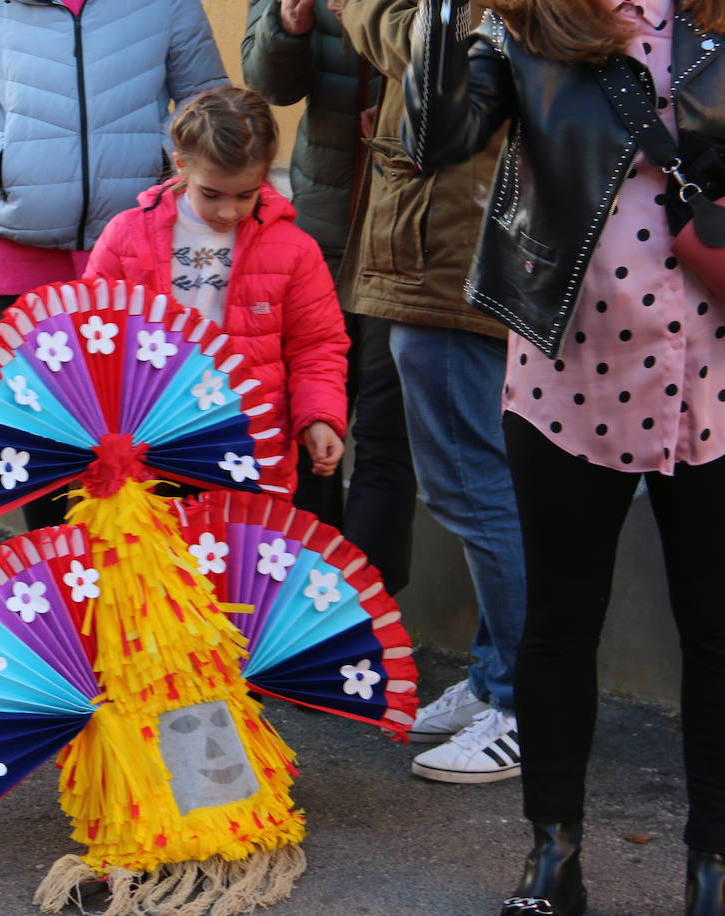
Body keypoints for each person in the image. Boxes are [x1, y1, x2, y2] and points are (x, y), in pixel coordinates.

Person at [403, 0, 725, 912]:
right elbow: (436, 139)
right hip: (567, 373)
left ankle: (714, 870)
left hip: (714, 374)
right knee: (557, 625)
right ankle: (554, 858)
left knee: (717, 631)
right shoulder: (527, 25)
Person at [0, 0, 228, 529]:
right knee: (50, 433)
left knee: (140, 429)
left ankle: (139, 581)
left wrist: (158, 154)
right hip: (26, 249)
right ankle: (61, 577)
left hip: (139, 247)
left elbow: (209, 101)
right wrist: (2, 161)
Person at [338, 0, 526, 785]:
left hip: (452, 255)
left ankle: (522, 705)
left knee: (475, 492)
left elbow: (424, 42)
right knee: (479, 486)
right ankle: (495, 683)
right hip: (442, 243)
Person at [84, 86, 350, 496]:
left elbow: (317, 345)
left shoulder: (294, 250)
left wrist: (319, 415)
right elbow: (91, 334)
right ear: (181, 167)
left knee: (235, 557)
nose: (228, 212)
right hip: (146, 448)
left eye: (246, 195)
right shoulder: (126, 237)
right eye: (212, 194)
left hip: (246, 446)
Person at [242, 0, 418, 595]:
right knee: (311, 423)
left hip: (412, 239)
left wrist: (402, 130)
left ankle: (366, 614)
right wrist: (287, 28)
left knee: (388, 440)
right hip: (323, 239)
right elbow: (267, 85)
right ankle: (298, 604)